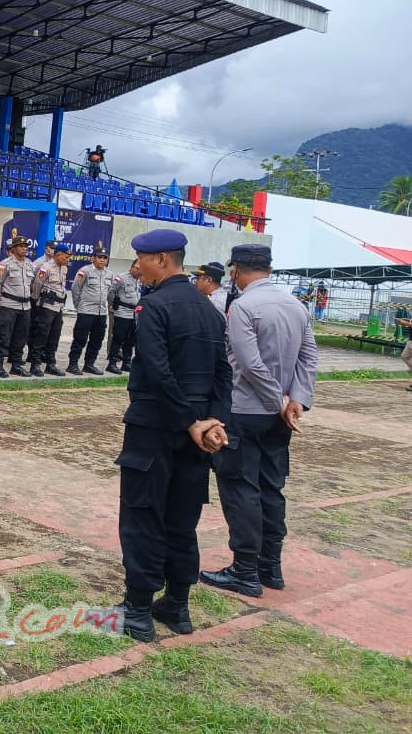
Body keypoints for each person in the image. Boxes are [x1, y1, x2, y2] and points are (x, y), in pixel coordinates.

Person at [113, 228, 231, 643]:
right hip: (196, 434)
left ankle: (139, 608)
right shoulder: (209, 310)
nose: (137, 267)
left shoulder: (154, 307)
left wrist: (191, 421)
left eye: (141, 260)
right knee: (183, 517)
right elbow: (223, 372)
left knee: (144, 514)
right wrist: (213, 420)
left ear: (162, 260)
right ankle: (177, 604)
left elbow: (158, 372)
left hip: (157, 428)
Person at [201, 244, 319, 598]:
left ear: (236, 270)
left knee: (240, 489)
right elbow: (309, 356)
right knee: (271, 488)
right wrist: (296, 399)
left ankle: (245, 570)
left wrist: (277, 401)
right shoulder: (295, 305)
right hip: (278, 417)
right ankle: (271, 566)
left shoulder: (244, 307)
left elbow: (250, 364)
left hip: (245, 411)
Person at [0, 235, 37, 377]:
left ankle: (16, 365)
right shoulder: (5, 265)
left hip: (25, 306)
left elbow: (32, 284)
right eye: (20, 246)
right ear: (14, 248)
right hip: (8, 305)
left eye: (25, 246)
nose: (23, 249)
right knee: (3, 336)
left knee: (20, 337)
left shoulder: (30, 264)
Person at [67, 242, 112, 375]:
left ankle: (89, 364)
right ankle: (73, 364)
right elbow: (76, 289)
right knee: (80, 338)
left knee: (97, 340)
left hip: (101, 312)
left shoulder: (109, 274)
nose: (102, 260)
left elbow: (108, 291)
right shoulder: (85, 271)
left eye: (104, 258)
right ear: (93, 258)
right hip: (86, 311)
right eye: (99, 257)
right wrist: (78, 306)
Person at [27, 242, 71, 377]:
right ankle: (35, 364)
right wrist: (36, 301)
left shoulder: (63, 268)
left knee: (54, 336)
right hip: (46, 306)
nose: (67, 259)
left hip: (58, 307)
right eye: (66, 256)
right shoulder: (45, 267)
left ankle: (51, 364)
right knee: (41, 335)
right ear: (58, 255)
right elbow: (36, 285)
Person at [106, 258, 143, 374]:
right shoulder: (121, 278)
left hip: (134, 314)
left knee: (131, 340)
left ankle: (126, 362)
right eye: (137, 268)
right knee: (118, 338)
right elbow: (111, 292)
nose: (139, 270)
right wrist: (113, 306)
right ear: (132, 267)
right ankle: (112, 363)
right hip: (122, 312)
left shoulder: (139, 280)